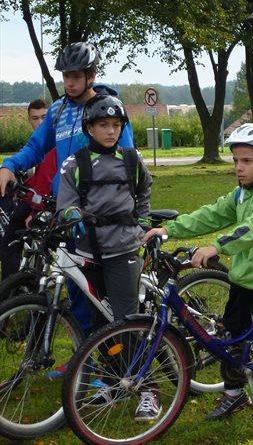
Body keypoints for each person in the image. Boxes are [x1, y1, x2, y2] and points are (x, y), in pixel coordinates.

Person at [143, 123, 253, 437]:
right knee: (231, 333)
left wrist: (216, 247)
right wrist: (169, 229)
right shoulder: (241, 194)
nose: (238, 167)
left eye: (247, 161)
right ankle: (234, 392)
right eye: (236, 160)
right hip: (243, 278)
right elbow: (210, 214)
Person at [0, 42, 135, 330]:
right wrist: (9, 166)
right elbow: (35, 147)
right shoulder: (58, 110)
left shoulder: (108, 108)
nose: (69, 83)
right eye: (65, 76)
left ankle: (118, 347)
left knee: (105, 295)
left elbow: (127, 162)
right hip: (68, 212)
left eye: (75, 76)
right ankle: (84, 349)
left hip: (101, 216)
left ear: (91, 75)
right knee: (76, 287)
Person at [57, 93, 156, 419]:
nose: (111, 131)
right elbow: (66, 201)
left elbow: (144, 190)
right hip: (89, 253)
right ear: (89, 128)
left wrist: (142, 221)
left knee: (127, 321)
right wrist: (70, 215)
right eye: (103, 125)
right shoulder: (75, 164)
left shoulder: (132, 159)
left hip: (124, 251)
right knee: (100, 323)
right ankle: (115, 380)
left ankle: (147, 388)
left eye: (116, 125)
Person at [0, 99, 58, 281]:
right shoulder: (39, 143)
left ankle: (10, 288)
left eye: (44, 118)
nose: (40, 123)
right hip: (39, 197)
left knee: (10, 241)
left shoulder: (51, 145)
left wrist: (34, 212)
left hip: (44, 203)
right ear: (29, 120)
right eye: (35, 118)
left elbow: (45, 181)